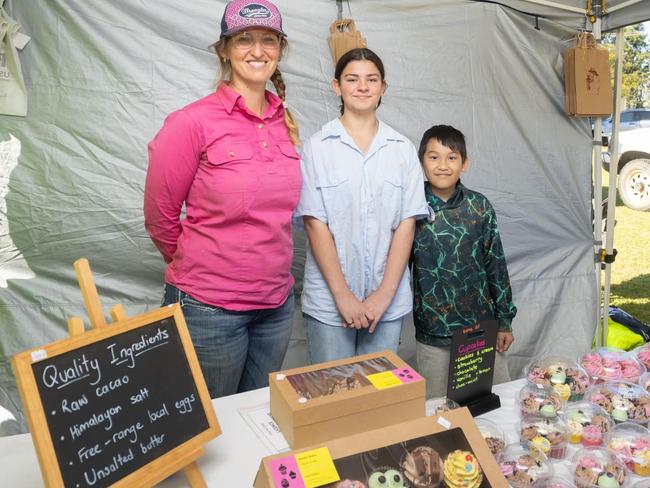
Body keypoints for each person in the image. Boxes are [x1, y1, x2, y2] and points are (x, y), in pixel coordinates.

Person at [143, 0, 301, 398]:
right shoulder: (191, 122)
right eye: (244, 39)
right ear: (224, 49)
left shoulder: (286, 122)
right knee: (209, 432)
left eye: (268, 40)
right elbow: (160, 217)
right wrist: (205, 272)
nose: (257, 50)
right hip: (208, 310)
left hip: (276, 306)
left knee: (256, 418)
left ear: (280, 49)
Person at [296, 48, 428, 364]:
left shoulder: (402, 150)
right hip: (330, 303)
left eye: (372, 79)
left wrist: (384, 295)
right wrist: (343, 296)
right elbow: (315, 223)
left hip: (388, 302)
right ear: (336, 86)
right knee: (332, 396)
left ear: (383, 87)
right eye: (352, 79)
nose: (362, 87)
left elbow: (406, 224)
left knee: (378, 399)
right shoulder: (317, 148)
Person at [411, 125, 517, 398]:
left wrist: (504, 321)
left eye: (452, 157)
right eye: (433, 157)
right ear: (421, 162)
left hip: (480, 329)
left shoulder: (479, 207)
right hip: (433, 332)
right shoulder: (411, 206)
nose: (443, 165)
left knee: (493, 402)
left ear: (465, 163)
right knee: (436, 408)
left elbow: (496, 264)